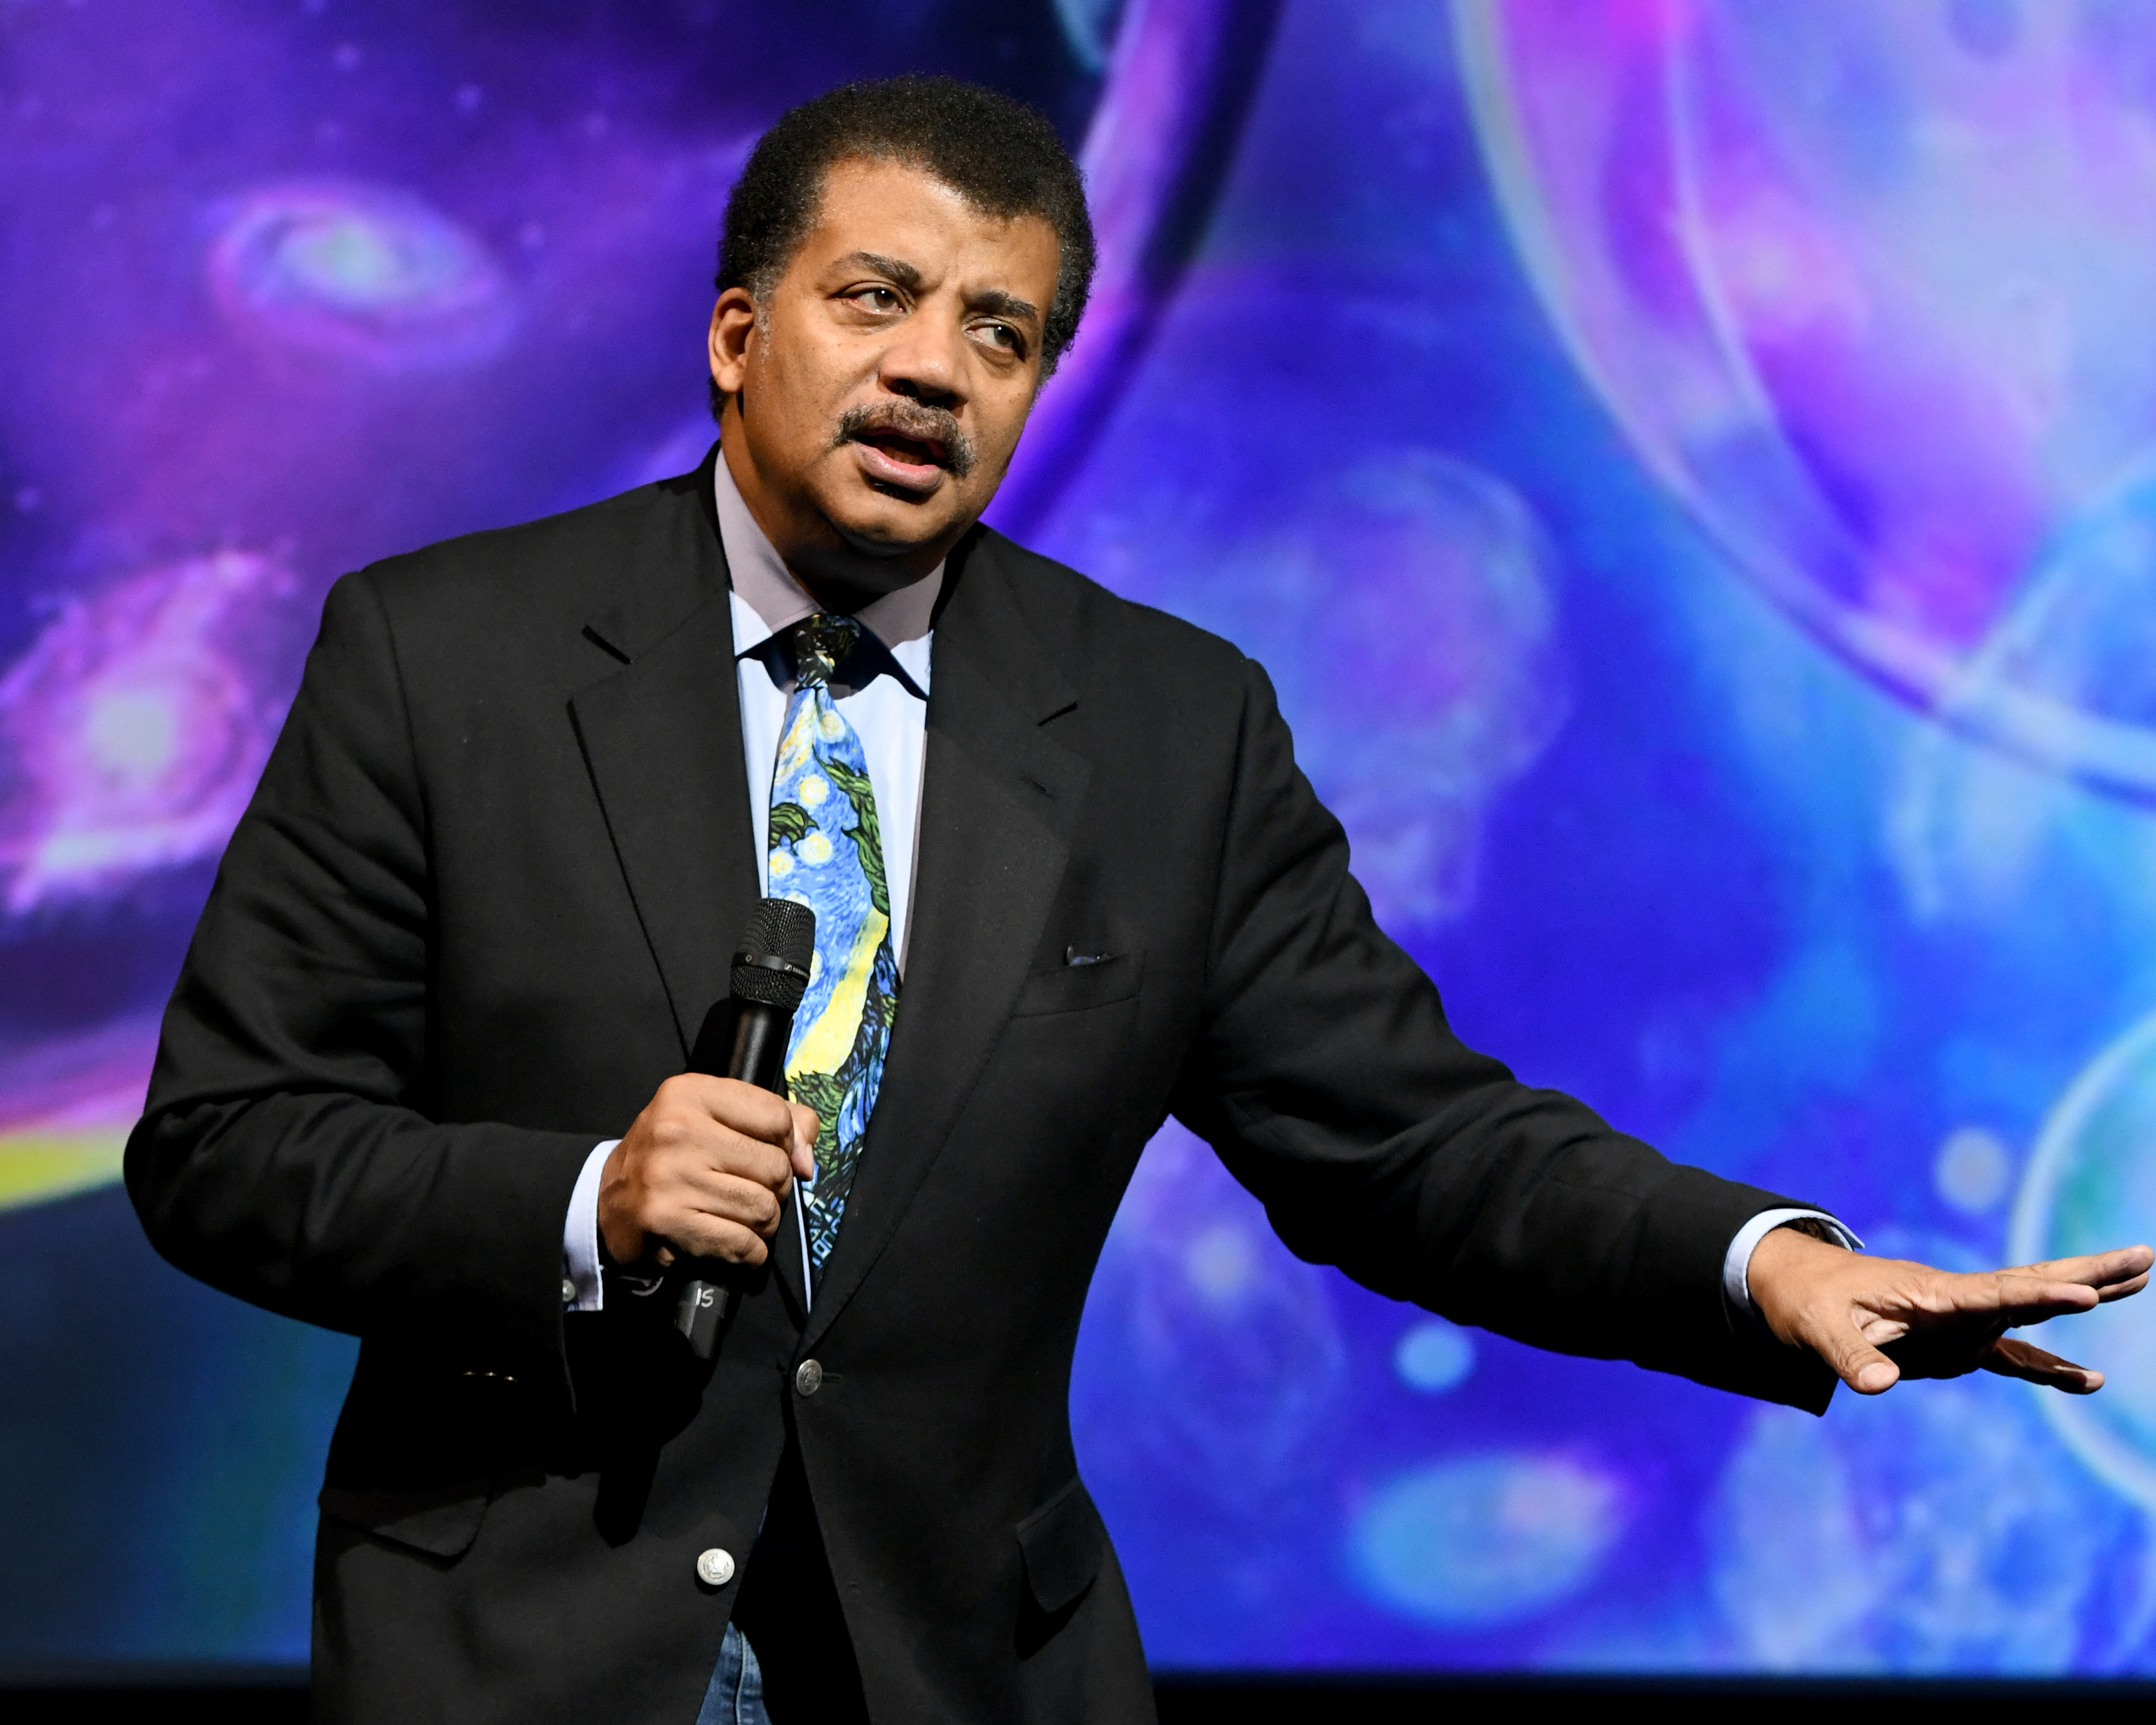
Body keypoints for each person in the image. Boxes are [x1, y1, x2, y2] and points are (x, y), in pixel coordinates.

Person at [126, 75, 2151, 1725]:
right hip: (526, 1666)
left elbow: (1411, 1140)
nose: (935, 370)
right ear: (740, 336)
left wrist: (1758, 1264)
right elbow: (224, 1148)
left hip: (962, 1667)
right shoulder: (439, 655)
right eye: (878, 299)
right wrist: (584, 1204)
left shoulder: (1165, 727)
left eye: (999, 333)